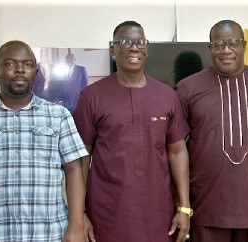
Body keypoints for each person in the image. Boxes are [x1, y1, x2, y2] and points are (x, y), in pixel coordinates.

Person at [0, 40, 87, 242]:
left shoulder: (59, 116)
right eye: (9, 64)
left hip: (49, 235)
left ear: (35, 73)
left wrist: (76, 227)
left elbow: (73, 170)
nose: (20, 70)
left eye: (28, 65)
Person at [176, 20, 248, 242]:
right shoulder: (187, 88)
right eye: (219, 44)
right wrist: (182, 203)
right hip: (206, 205)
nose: (226, 50)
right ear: (210, 48)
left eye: (232, 43)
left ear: (244, 46)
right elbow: (175, 148)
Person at [73, 20, 191, 242]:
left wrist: (184, 207)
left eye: (139, 41)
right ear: (113, 49)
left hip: (158, 215)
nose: (133, 47)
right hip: (106, 215)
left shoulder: (166, 95)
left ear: (146, 49)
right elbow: (80, 159)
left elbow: (177, 152)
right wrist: (79, 214)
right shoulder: (92, 96)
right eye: (125, 41)